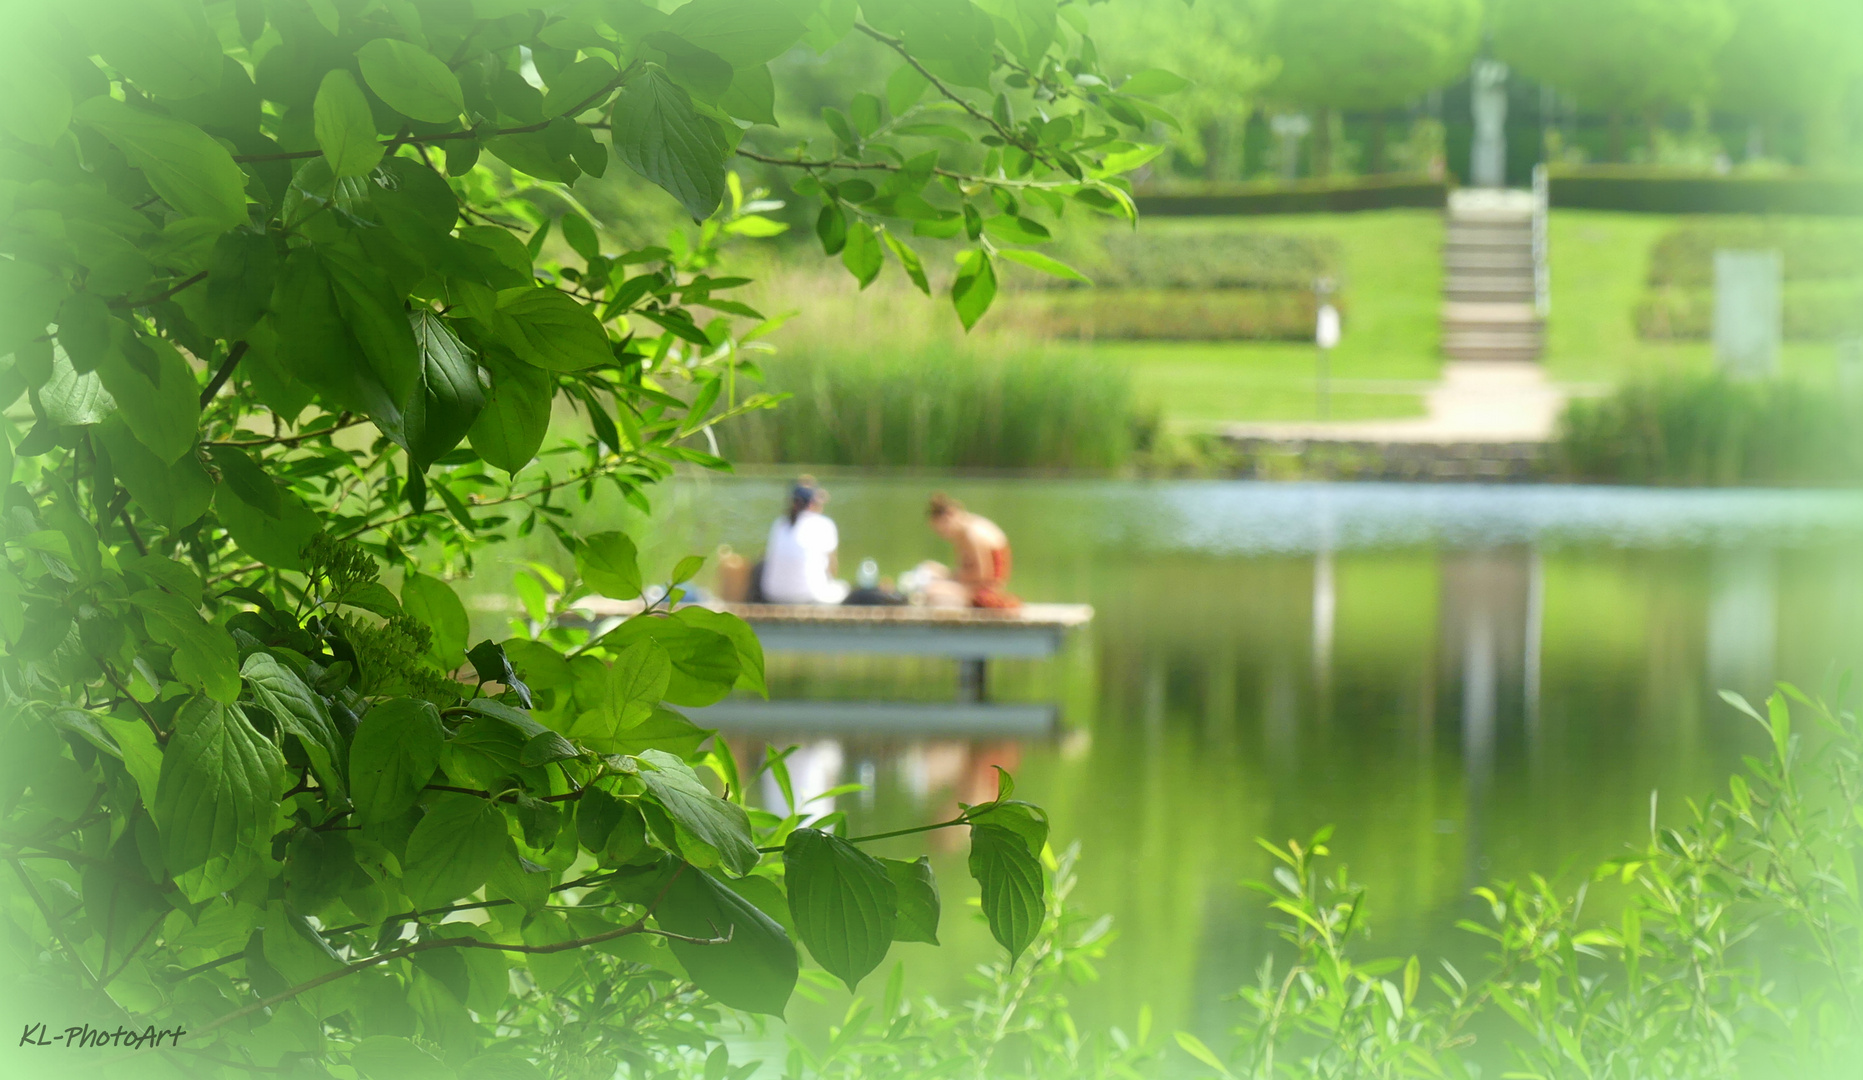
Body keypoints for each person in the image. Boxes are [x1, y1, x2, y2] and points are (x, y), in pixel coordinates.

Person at [760, 478, 849, 604]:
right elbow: (832, 568)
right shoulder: (824, 524)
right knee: (843, 588)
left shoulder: (779, 523)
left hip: (773, 594)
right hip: (808, 596)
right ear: (812, 503)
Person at [923, 493, 1020, 609]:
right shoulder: (964, 531)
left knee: (932, 593)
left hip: (985, 591)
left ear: (949, 516)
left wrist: (950, 579)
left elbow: (983, 575)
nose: (944, 535)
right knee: (931, 570)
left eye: (943, 530)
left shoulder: (973, 534)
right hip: (974, 585)